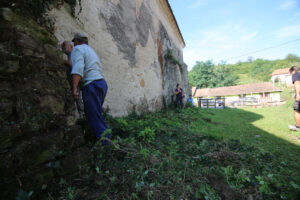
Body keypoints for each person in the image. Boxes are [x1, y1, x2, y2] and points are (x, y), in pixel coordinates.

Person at [70, 33, 110, 144]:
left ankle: (106, 146)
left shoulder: (77, 49)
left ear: (77, 41)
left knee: (93, 116)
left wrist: (74, 89)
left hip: (91, 85)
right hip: (101, 84)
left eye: (74, 42)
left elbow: (78, 69)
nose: (74, 44)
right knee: (97, 114)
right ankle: (106, 137)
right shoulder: (91, 51)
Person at [61, 41, 83, 118]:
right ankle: (79, 116)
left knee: (78, 99)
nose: (63, 48)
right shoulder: (71, 55)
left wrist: (63, 61)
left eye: (65, 46)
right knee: (76, 100)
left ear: (71, 46)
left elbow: (71, 64)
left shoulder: (73, 54)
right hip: (73, 82)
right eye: (62, 46)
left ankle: (81, 116)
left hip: (75, 82)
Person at [288, 66, 300, 131]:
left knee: (297, 110)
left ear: (293, 71)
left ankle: (298, 127)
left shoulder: (295, 74)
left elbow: (297, 83)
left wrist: (298, 94)